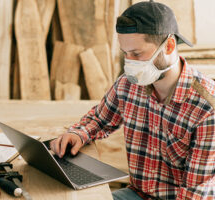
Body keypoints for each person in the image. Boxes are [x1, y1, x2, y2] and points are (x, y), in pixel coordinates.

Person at [50, 0, 215, 199]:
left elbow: (194, 193)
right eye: (125, 54)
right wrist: (78, 134)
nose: (130, 64)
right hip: (137, 194)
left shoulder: (207, 109)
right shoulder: (129, 85)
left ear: (170, 45)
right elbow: (99, 120)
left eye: (137, 54)